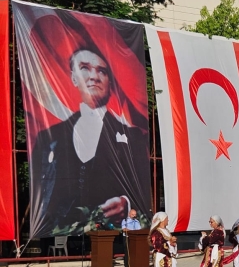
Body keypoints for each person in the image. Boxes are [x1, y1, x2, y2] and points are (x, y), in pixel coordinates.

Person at [30, 47, 150, 236]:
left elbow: (143, 187)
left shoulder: (134, 137)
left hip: (111, 236)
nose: (94, 76)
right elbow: (40, 191)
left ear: (110, 81)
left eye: (102, 71)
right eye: (85, 67)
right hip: (60, 235)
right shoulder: (48, 138)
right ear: (73, 78)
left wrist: (126, 203)